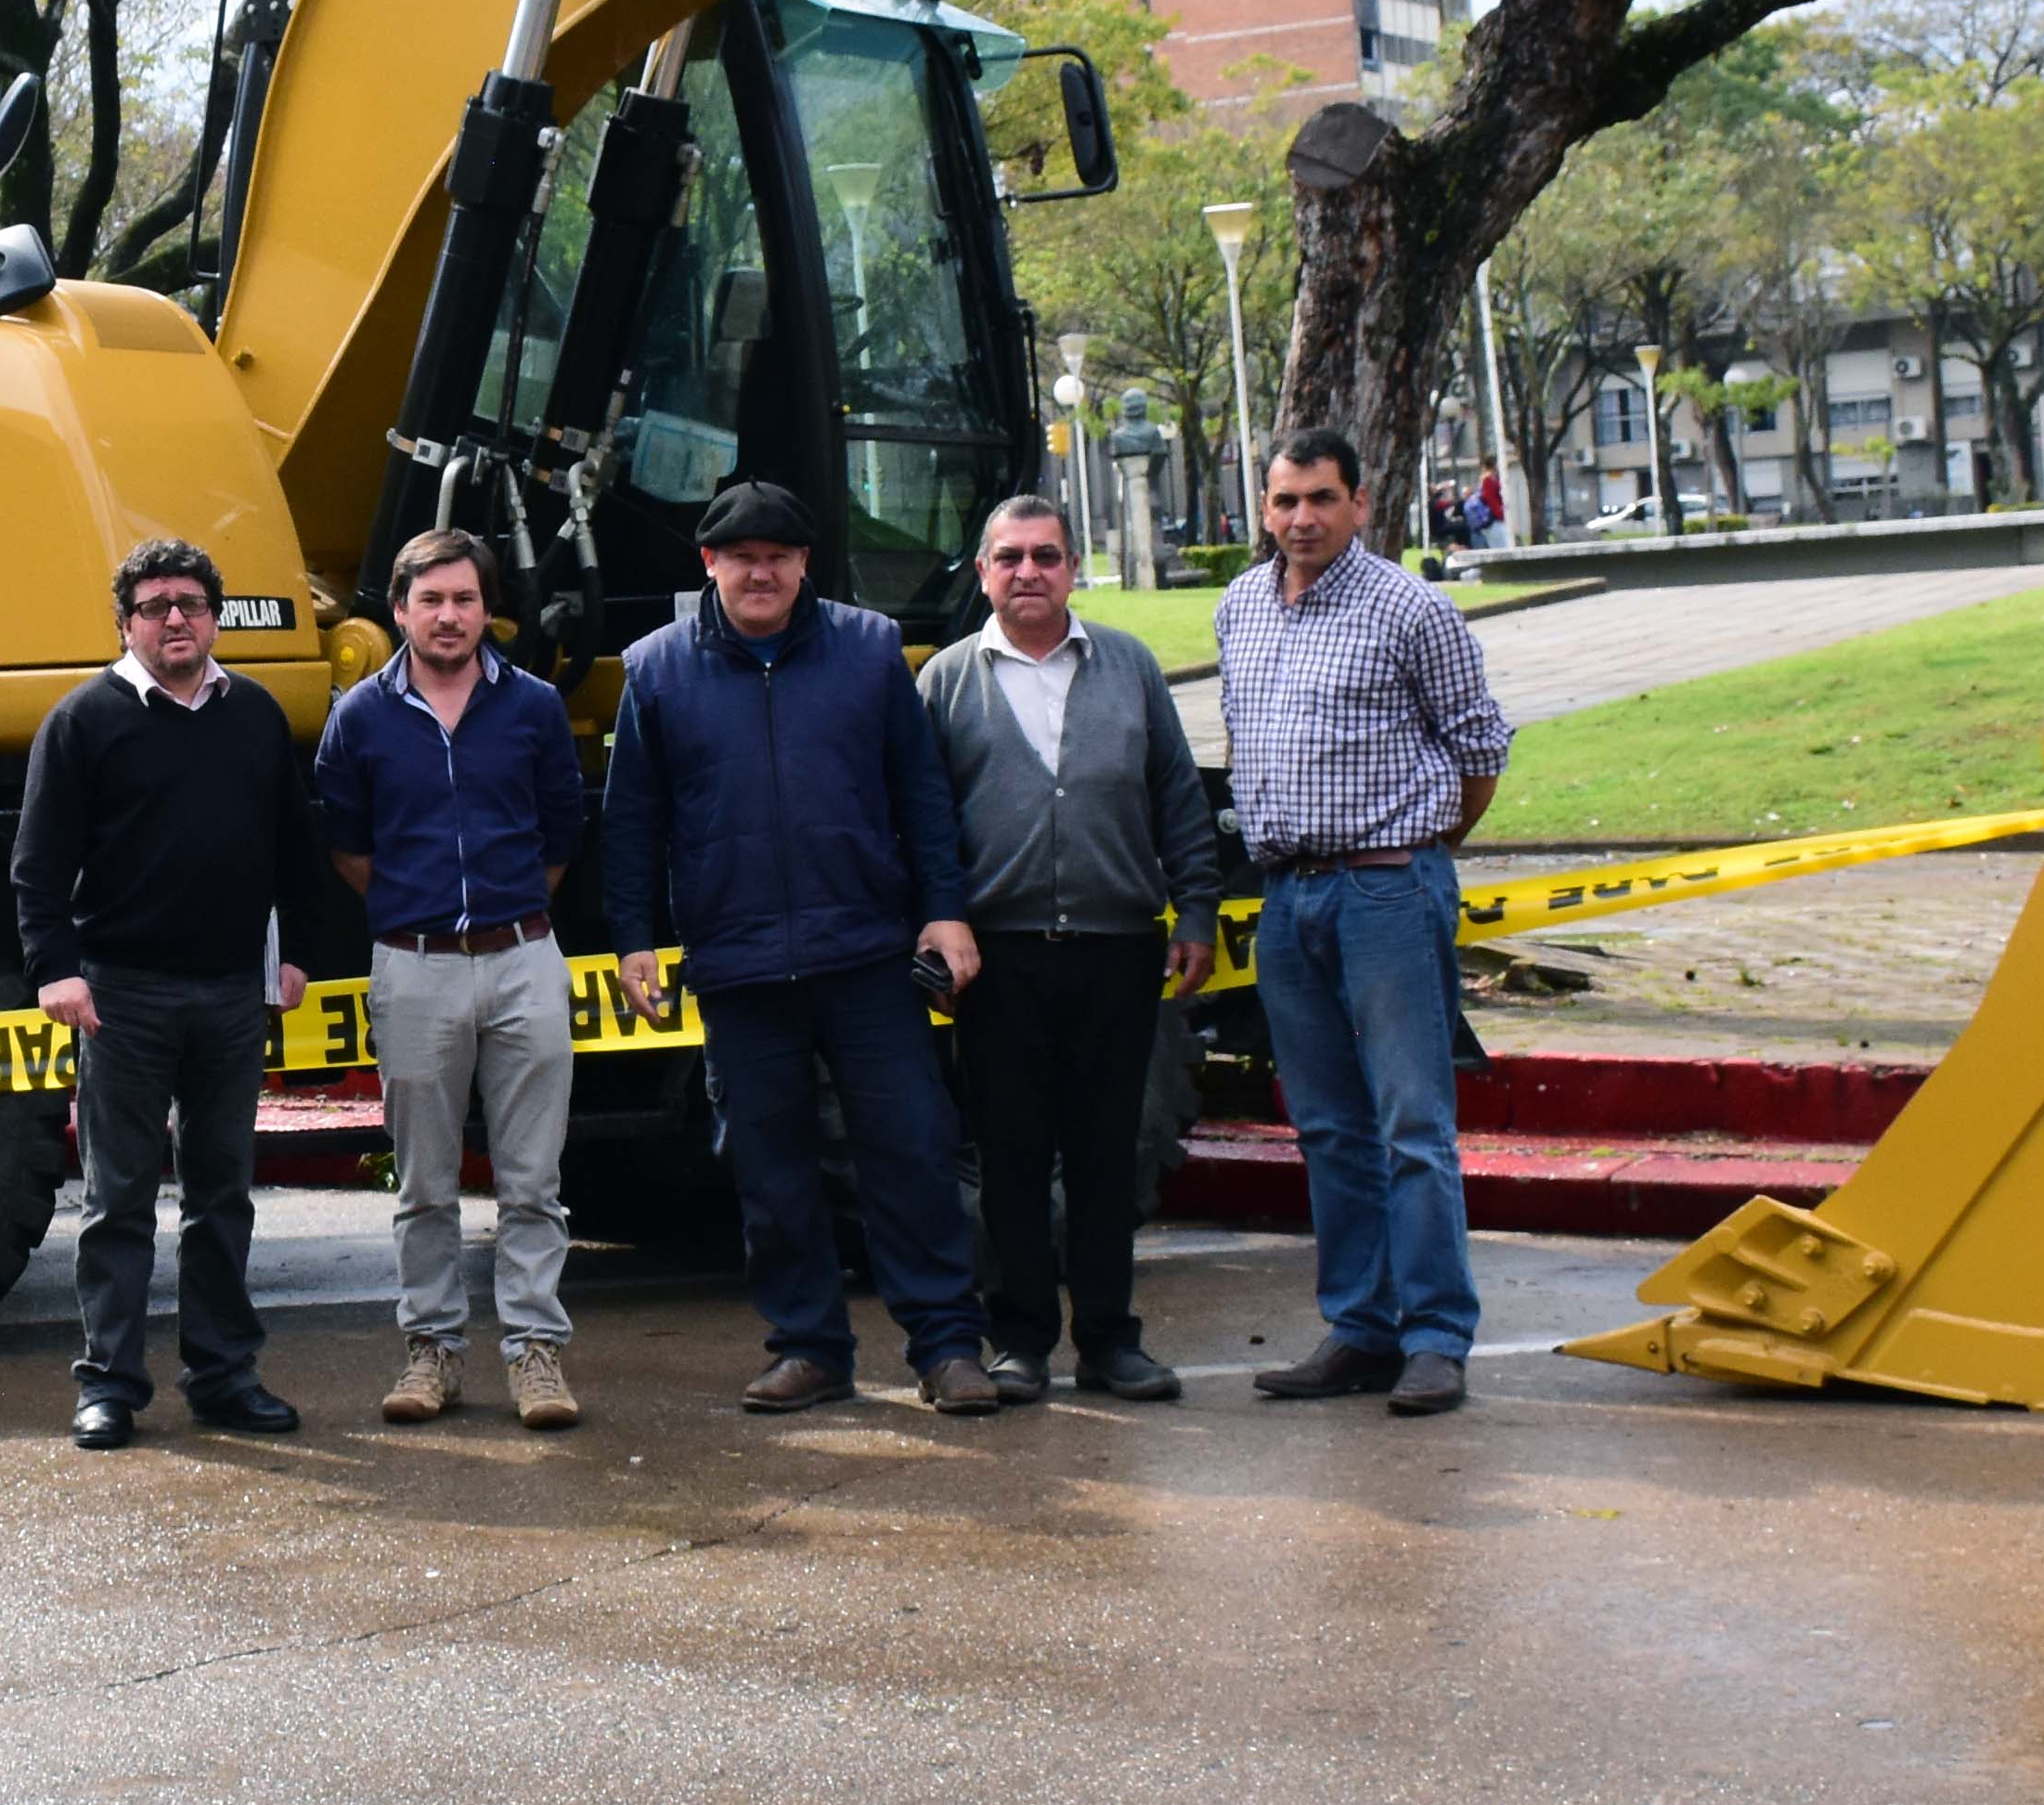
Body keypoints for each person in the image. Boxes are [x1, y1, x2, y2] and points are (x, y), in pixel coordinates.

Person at [599, 479, 1002, 1417]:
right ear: (710, 564)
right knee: (772, 1171)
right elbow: (631, 824)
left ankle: (947, 1346)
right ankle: (811, 1348)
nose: (761, 573)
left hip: (866, 954)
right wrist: (632, 943)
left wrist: (943, 908)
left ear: (805, 564)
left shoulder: (867, 651)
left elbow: (922, 794)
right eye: (742, 558)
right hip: (737, 967)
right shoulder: (656, 670)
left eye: (779, 557)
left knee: (909, 1153)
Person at [18, 538, 346, 1452]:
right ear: (125, 621)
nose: (175, 619)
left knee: (222, 1194)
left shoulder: (254, 717)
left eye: (191, 604)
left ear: (215, 616)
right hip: (122, 999)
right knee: (118, 1199)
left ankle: (224, 1375)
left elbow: (295, 846)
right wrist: (56, 967)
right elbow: (38, 865)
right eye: (156, 604)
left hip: (233, 994)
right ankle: (111, 1386)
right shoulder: (83, 721)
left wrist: (297, 956)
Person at [1212, 427, 1513, 1417]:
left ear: (1360, 502)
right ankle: (1361, 1325)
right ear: (1264, 507)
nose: (1303, 518)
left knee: (1410, 1121)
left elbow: (1478, 746)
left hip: (1387, 887)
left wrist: (1423, 850)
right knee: (1329, 1125)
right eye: (1286, 500)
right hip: (1288, 896)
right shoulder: (1241, 608)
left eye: (1322, 499)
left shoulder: (1411, 608)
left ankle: (1435, 1337)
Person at [915, 494, 1221, 1405]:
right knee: (1008, 1157)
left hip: (1118, 950)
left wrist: (1197, 911)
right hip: (998, 961)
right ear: (983, 574)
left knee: (1104, 1153)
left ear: (1073, 567)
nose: (1028, 573)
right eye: (1008, 558)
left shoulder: (1127, 667)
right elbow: (923, 822)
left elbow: (1177, 795)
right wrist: (936, 919)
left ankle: (1110, 1340)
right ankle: (1018, 1341)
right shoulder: (946, 680)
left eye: (1045, 556)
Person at [316, 526, 593, 1432]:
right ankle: (432, 1348)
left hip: (524, 960)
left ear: (487, 608)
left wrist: (506, 916)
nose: (447, 615)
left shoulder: (537, 707)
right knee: (425, 1181)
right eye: (429, 599)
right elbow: (348, 848)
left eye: (464, 599)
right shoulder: (358, 716)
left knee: (532, 1180)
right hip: (416, 967)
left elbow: (561, 834)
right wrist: (423, 911)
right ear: (398, 609)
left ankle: (535, 1353)